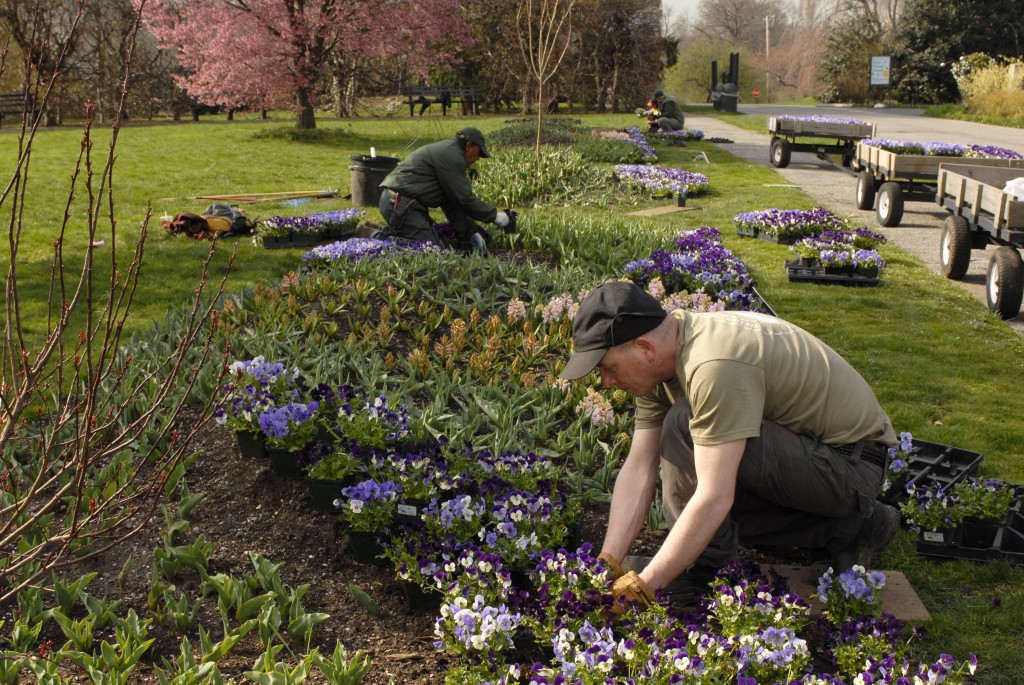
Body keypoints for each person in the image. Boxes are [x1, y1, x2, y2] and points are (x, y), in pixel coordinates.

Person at [559, 281, 900, 610]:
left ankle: (707, 574)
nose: (605, 382)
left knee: (685, 434)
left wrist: (644, 589)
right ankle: (854, 527)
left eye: (608, 367)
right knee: (706, 514)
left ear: (644, 348)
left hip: (852, 466)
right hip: (813, 458)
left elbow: (713, 496)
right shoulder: (663, 361)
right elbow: (638, 468)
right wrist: (608, 562)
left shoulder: (713, 364)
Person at [370, 127, 511, 255]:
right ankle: (371, 239)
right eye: (479, 153)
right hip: (397, 203)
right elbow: (465, 199)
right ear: (469, 146)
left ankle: (374, 232)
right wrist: (495, 216)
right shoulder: (452, 157)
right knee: (429, 249)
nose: (478, 158)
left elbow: (451, 204)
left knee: (431, 242)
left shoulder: (450, 152)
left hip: (402, 203)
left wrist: (471, 232)